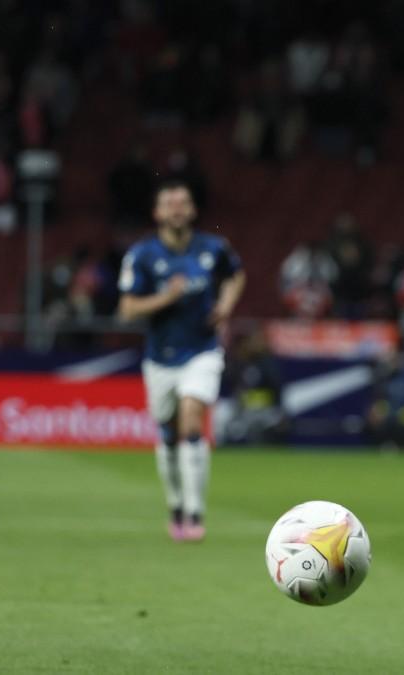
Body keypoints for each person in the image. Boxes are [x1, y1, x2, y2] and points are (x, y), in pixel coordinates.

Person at [118, 178, 246, 542]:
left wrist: (225, 305)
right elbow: (127, 309)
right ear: (157, 213)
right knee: (167, 432)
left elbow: (236, 276)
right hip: (160, 358)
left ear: (192, 210)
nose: (177, 208)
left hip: (202, 351)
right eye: (169, 203)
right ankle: (175, 505)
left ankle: (195, 512)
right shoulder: (142, 255)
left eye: (182, 202)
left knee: (192, 419)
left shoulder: (213, 248)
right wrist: (166, 297)